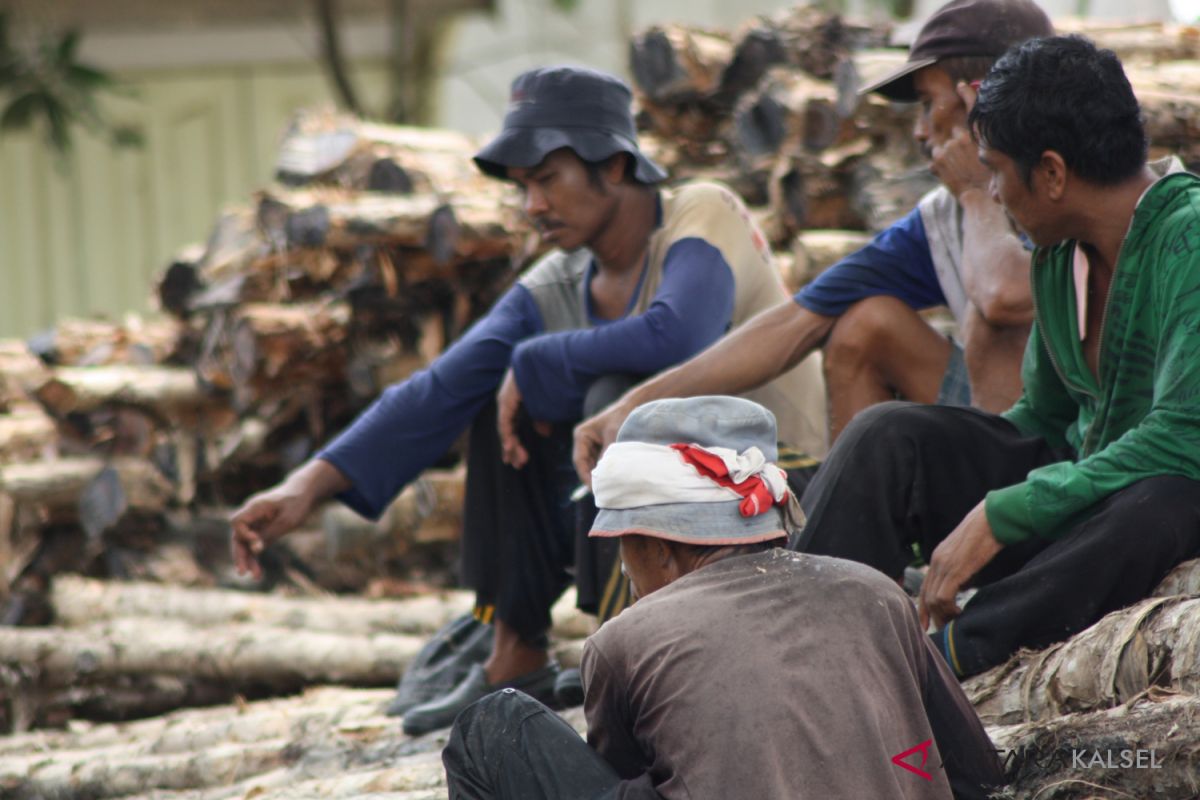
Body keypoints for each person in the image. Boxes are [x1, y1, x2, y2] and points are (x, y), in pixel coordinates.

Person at [229, 65, 828, 735]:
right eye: (523, 188)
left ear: (616, 165)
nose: (532, 206)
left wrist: (536, 360)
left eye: (548, 180)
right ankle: (514, 650)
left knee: (611, 399)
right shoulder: (559, 278)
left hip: (780, 491)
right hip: (682, 515)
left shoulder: (701, 213)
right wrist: (306, 487)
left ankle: (630, 656)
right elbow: (438, 390)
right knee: (498, 404)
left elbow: (677, 334)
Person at [797, 34, 1200, 679]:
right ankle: (803, 653)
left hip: (1153, 512)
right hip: (1083, 492)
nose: (990, 188)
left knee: (1165, 500)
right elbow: (1039, 421)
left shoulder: (1191, 237)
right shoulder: (1059, 254)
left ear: (1051, 173)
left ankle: (930, 671)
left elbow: (1186, 435)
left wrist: (1005, 511)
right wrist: (975, 489)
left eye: (995, 170)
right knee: (891, 435)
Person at [442, 396, 1004, 799]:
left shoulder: (626, 640)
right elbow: (977, 772)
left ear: (659, 547)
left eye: (625, 548)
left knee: (490, 724)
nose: (623, 568)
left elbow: (620, 772)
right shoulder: (876, 592)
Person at [572, 0, 1052, 470]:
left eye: (929, 105)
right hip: (1000, 429)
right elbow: (795, 323)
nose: (922, 132)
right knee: (867, 324)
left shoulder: (1072, 181)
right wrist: (636, 405)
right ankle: (869, 531)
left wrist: (974, 192)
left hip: (1078, 449)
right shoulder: (942, 219)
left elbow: (1005, 295)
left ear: (982, 97)